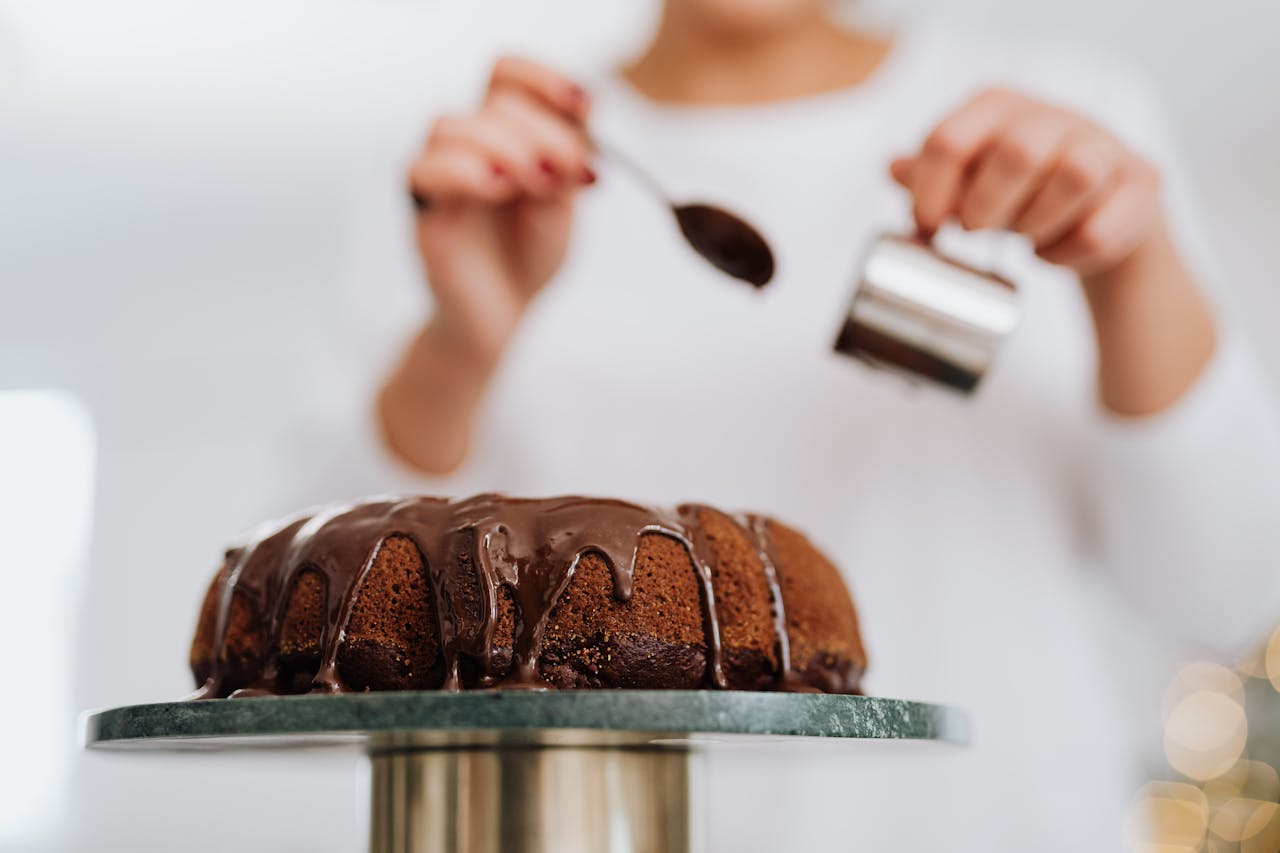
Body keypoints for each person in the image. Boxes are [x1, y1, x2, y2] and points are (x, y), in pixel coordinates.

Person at [367, 1, 1280, 849]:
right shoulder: (486, 164)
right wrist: (461, 345)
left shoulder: (1077, 124)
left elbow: (1221, 597)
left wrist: (1130, 269)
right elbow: (345, 624)